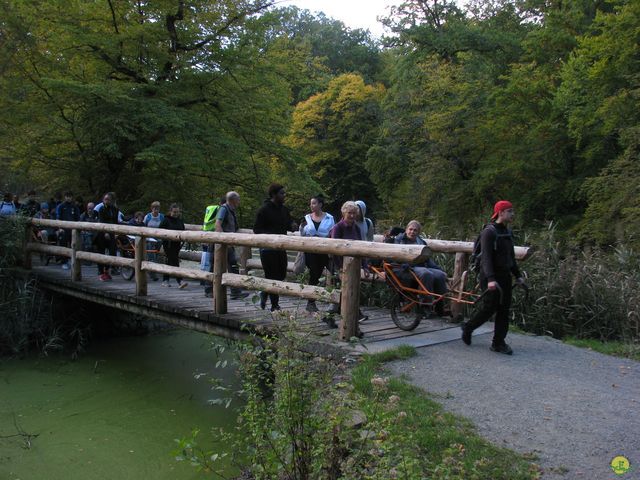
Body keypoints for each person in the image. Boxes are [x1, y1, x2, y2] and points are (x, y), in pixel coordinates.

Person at [461, 200, 525, 355]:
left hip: (504, 276)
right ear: (501, 212)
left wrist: (518, 275)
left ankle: (498, 343)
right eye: (509, 211)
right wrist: (490, 279)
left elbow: (510, 257)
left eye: (512, 211)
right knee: (489, 308)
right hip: (490, 276)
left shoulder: (507, 232)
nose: (512, 214)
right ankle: (468, 327)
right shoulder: (489, 232)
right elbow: (486, 258)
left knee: (504, 309)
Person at [253, 183, 296, 311]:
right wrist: (271, 237)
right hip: (267, 249)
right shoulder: (264, 210)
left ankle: (264, 292)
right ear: (274, 195)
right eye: (282, 193)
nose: (284, 196)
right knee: (272, 275)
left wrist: (293, 225)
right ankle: (274, 305)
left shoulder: (284, 210)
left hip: (281, 248)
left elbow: (288, 224)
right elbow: (257, 229)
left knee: (281, 274)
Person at [325, 201, 366, 333]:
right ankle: (354, 323)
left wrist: (365, 266)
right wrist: (340, 268)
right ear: (343, 213)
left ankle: (329, 315)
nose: (352, 216)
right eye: (349, 213)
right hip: (338, 264)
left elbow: (361, 248)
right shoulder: (338, 228)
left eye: (354, 213)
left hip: (353, 266)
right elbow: (334, 250)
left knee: (345, 292)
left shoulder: (357, 228)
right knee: (344, 292)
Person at [393, 220, 448, 316]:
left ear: (418, 232)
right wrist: (404, 263)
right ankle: (425, 306)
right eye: (410, 229)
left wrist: (439, 268)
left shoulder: (421, 242)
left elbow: (427, 259)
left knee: (440, 275)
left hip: (421, 266)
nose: (412, 232)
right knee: (426, 274)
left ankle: (440, 307)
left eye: (415, 230)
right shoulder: (400, 240)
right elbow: (397, 255)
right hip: (407, 266)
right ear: (406, 230)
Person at [299, 194, 335, 312]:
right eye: (311, 203)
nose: (311, 205)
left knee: (335, 273)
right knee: (315, 275)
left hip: (325, 251)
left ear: (320, 204)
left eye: (314, 203)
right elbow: (302, 233)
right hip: (311, 252)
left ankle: (335, 303)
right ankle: (311, 302)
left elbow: (333, 233)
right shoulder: (307, 218)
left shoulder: (329, 218)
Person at [214, 191, 248, 300]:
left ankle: (235, 291)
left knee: (231, 266)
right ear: (233, 200)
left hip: (229, 243)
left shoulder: (231, 210)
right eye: (238, 200)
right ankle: (234, 292)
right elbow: (218, 224)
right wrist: (223, 240)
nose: (239, 202)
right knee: (231, 265)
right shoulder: (224, 209)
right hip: (225, 244)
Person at [159, 203, 188, 289]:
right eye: (174, 212)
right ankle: (180, 281)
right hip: (168, 244)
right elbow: (160, 230)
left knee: (170, 261)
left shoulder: (179, 220)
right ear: (170, 211)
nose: (176, 214)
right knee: (174, 261)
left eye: (177, 212)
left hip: (177, 244)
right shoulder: (166, 220)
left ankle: (165, 280)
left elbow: (182, 230)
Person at [202, 196, 225, 297]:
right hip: (216, 239)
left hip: (211, 237)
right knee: (213, 264)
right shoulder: (222, 210)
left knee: (212, 264)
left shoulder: (214, 209)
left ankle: (210, 289)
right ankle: (209, 289)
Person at [95, 192, 120, 281]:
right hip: (102, 233)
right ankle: (101, 271)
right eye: (105, 199)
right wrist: (105, 232)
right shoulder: (101, 209)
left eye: (108, 199)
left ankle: (108, 270)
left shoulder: (115, 209)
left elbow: (116, 221)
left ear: (111, 201)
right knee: (101, 251)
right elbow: (101, 221)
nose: (106, 201)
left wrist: (116, 232)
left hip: (112, 232)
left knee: (113, 251)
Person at [55, 191, 80, 269]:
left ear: (72, 197)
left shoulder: (74, 207)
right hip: (63, 229)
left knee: (74, 245)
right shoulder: (61, 206)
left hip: (73, 230)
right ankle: (64, 262)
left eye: (70, 196)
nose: (68, 198)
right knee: (64, 245)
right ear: (65, 197)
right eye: (67, 196)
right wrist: (60, 228)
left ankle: (73, 260)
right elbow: (58, 218)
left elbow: (77, 218)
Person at [143, 201, 164, 281]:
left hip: (159, 239)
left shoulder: (162, 217)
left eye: (158, 208)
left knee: (156, 255)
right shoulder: (147, 217)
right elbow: (143, 226)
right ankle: (152, 273)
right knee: (151, 255)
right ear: (152, 208)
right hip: (149, 239)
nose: (156, 210)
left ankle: (151, 270)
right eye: (154, 208)